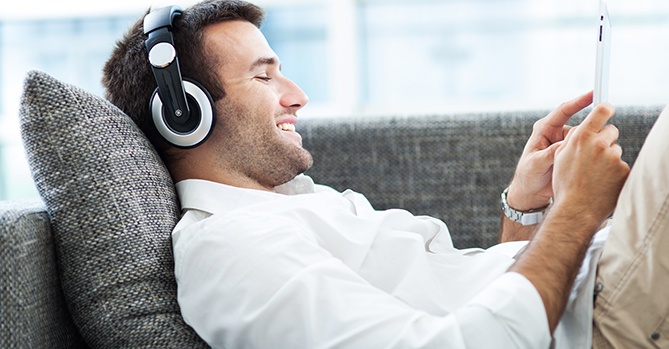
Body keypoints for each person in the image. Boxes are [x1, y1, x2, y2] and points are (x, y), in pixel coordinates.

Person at [101, 1, 669, 348]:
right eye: (265, 77)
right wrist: (575, 211)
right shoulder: (231, 253)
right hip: (606, 316)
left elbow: (480, 302)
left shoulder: (286, 205)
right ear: (185, 114)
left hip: (599, 290)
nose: (297, 97)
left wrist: (524, 209)